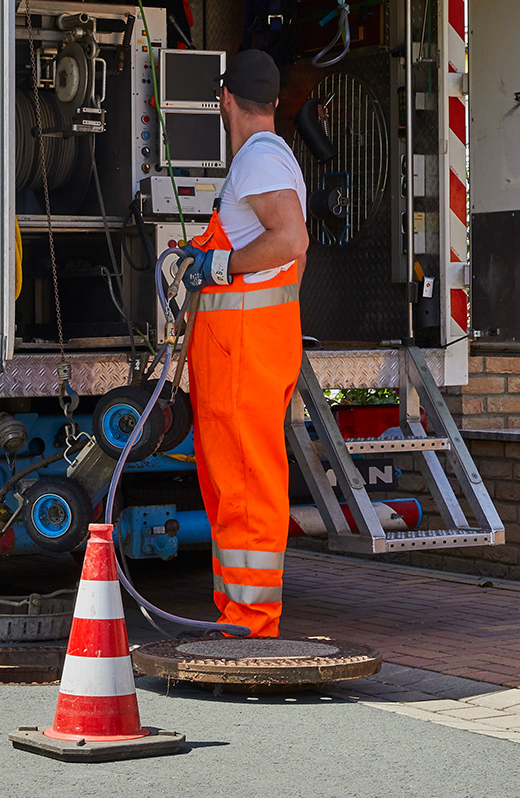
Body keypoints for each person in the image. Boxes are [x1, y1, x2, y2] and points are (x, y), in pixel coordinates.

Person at [174, 49, 309, 638]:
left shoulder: (258, 160)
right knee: (235, 482)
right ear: (276, 103)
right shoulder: (270, 159)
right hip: (249, 348)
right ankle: (240, 615)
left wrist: (219, 265)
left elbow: (290, 240)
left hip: (245, 351)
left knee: (246, 484)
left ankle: (252, 621)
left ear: (225, 100)